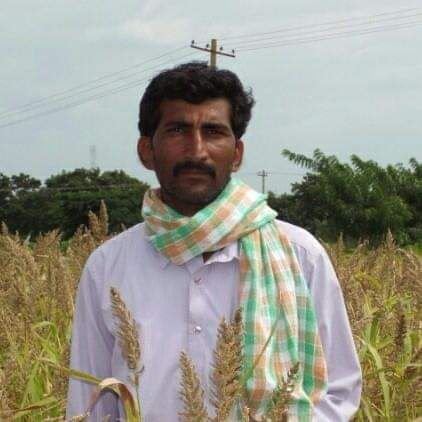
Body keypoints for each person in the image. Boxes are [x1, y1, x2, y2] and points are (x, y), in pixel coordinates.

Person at [66, 61, 361, 421]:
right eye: (177, 130)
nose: (197, 150)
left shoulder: (300, 255)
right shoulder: (107, 267)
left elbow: (338, 389)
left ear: (236, 154)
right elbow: (91, 401)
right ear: (147, 150)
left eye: (213, 131)